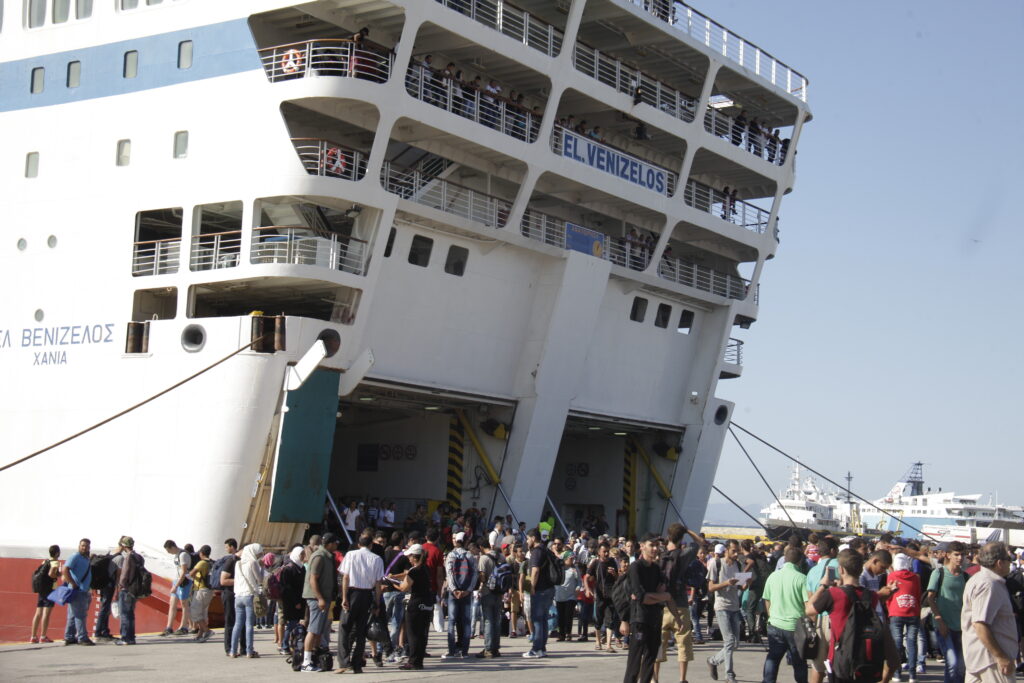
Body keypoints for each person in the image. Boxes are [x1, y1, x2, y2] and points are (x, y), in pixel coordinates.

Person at [807, 549, 898, 683]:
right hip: (866, 659)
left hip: (841, 659)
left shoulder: (833, 594)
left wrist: (823, 586)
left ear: (841, 570)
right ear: (860, 571)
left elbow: (809, 609)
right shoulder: (872, 596)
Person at [623, 532, 678, 683]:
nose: (655, 548)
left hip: (655, 620)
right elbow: (641, 597)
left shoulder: (656, 569)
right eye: (651, 545)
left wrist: (678, 619)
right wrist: (660, 597)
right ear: (641, 546)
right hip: (640, 619)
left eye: (657, 545)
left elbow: (666, 595)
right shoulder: (635, 567)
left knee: (650, 660)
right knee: (634, 662)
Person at [961, 543, 1018, 683]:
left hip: (981, 658)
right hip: (991, 661)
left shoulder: (980, 579)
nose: (1011, 563)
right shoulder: (989, 584)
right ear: (999, 562)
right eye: (1009, 559)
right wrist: (1000, 656)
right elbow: (980, 624)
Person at [655, 522, 702, 683]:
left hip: (661, 604)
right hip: (680, 603)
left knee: (658, 645)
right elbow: (700, 542)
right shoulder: (684, 555)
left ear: (668, 536)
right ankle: (682, 679)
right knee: (683, 643)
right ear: (681, 538)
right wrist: (688, 530)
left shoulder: (660, 553)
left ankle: (655, 678)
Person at [762, 545, 810, 683]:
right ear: (799, 562)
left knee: (773, 658)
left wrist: (771, 615)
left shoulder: (773, 576)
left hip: (775, 624)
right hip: (795, 626)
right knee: (799, 663)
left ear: (784, 560)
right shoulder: (802, 579)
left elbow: (767, 599)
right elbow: (807, 605)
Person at [338, 532, 384, 673]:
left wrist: (344, 597)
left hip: (352, 593)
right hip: (367, 595)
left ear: (359, 544)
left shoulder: (351, 555)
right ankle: (357, 664)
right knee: (361, 630)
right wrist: (376, 603)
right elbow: (378, 583)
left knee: (345, 628)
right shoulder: (377, 559)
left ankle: (344, 662)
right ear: (371, 545)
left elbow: (345, 577)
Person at [707, 540, 750, 683]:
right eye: (733, 551)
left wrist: (746, 583)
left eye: (737, 551)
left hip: (734, 606)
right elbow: (711, 587)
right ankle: (729, 675)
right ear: (726, 550)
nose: (736, 554)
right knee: (730, 640)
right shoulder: (716, 563)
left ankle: (713, 660)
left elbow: (740, 587)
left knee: (735, 643)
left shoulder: (738, 565)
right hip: (722, 606)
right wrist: (726, 583)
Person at [928, 541, 968, 683]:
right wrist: (939, 620)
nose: (960, 558)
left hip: (961, 627)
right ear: (948, 555)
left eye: (962, 554)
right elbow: (930, 599)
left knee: (962, 666)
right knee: (952, 663)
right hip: (944, 625)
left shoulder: (965, 576)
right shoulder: (939, 573)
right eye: (956, 554)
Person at [300, 532, 340, 672]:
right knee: (313, 629)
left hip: (324, 598)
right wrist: (320, 598)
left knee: (318, 631)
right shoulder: (319, 556)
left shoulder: (328, 556)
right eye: (335, 543)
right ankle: (306, 662)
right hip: (316, 598)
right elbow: (313, 579)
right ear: (329, 543)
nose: (336, 546)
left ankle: (314, 658)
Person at [393, 544, 434, 671]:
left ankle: (413, 661)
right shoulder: (426, 568)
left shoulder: (414, 571)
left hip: (415, 604)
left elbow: (403, 588)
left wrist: (392, 583)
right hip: (426, 603)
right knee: (422, 633)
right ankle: (418, 660)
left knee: (413, 634)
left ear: (415, 557)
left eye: (410, 556)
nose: (409, 559)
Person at [888, 553, 923, 683]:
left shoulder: (891, 576)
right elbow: (918, 594)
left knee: (896, 644)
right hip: (913, 611)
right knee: (912, 643)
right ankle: (912, 675)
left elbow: (889, 594)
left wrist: (890, 607)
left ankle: (897, 674)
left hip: (896, 611)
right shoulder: (915, 577)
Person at [443, 531, 478, 658]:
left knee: (452, 621)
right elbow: (475, 574)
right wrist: (468, 590)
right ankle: (465, 650)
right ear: (465, 541)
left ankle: (452, 650)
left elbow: (449, 573)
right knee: (466, 621)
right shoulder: (470, 555)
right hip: (466, 592)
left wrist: (454, 589)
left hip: (454, 593)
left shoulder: (451, 555)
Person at [231, 542, 264, 658]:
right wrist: (262, 568)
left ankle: (233, 651)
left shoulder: (238, 563)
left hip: (238, 596)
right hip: (249, 595)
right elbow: (260, 579)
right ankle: (249, 651)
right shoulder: (253, 563)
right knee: (249, 624)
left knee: (237, 624)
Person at [62, 538, 94, 646]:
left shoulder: (86, 558)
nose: (85, 548)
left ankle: (69, 636)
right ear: (79, 546)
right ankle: (82, 637)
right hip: (77, 590)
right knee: (80, 615)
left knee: (72, 615)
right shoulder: (75, 556)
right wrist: (72, 583)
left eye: (87, 546)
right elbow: (65, 569)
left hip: (82, 590)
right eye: (83, 545)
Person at [475, 537, 504, 658]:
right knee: (496, 620)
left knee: (488, 620)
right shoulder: (500, 556)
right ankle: (496, 648)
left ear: (481, 547)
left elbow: (482, 576)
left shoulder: (484, 558)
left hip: (487, 592)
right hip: (499, 592)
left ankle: (488, 649)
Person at [112, 536, 143, 645]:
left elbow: (124, 574)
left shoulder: (128, 558)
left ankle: (125, 638)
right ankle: (131, 637)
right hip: (135, 589)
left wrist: (120, 586)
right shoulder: (139, 557)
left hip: (126, 589)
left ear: (124, 546)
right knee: (131, 614)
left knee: (124, 614)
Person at [591, 540, 620, 652]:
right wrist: (588, 589)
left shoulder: (612, 562)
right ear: (599, 552)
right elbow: (587, 576)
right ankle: (598, 641)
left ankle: (608, 644)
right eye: (604, 552)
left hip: (611, 595)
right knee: (598, 619)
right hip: (599, 595)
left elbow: (618, 578)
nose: (607, 554)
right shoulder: (596, 563)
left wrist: (615, 574)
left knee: (610, 619)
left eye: (608, 551)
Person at [278, 545, 306, 655]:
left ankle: (296, 644)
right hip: (291, 602)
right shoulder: (288, 569)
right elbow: (286, 588)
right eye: (301, 554)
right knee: (291, 624)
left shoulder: (301, 567)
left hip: (300, 601)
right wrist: (295, 602)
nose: (303, 556)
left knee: (297, 624)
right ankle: (284, 646)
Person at [30, 544, 60, 643]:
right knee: (46, 614)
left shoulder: (45, 561)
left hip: (41, 590)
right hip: (50, 590)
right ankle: (43, 636)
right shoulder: (55, 562)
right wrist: (57, 575)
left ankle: (33, 637)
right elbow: (51, 574)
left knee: (38, 613)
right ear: (57, 553)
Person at [161, 539, 192, 636]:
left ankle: (184, 626)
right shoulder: (176, 555)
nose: (168, 553)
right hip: (176, 580)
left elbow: (184, 572)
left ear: (172, 547)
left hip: (184, 582)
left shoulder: (183, 555)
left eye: (168, 550)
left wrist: (176, 585)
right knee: (172, 604)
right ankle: (169, 627)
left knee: (184, 604)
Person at [219, 538, 244, 656]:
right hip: (229, 594)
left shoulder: (244, 561)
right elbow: (223, 581)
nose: (226, 549)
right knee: (230, 621)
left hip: (240, 594)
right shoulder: (231, 561)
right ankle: (228, 648)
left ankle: (244, 648)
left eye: (226, 546)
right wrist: (240, 580)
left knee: (243, 622)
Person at [189, 545, 214, 642]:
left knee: (195, 611)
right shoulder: (211, 562)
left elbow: (191, 573)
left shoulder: (202, 563)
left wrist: (194, 577)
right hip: (209, 590)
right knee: (202, 613)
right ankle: (200, 634)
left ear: (201, 553)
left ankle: (207, 631)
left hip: (201, 590)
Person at [555, 554, 580, 642]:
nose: (572, 560)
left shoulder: (574, 569)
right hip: (559, 595)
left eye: (573, 558)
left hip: (571, 596)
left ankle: (568, 633)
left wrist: (578, 589)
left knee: (568, 615)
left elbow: (579, 582)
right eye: (570, 558)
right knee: (560, 616)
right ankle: (561, 634)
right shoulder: (559, 569)